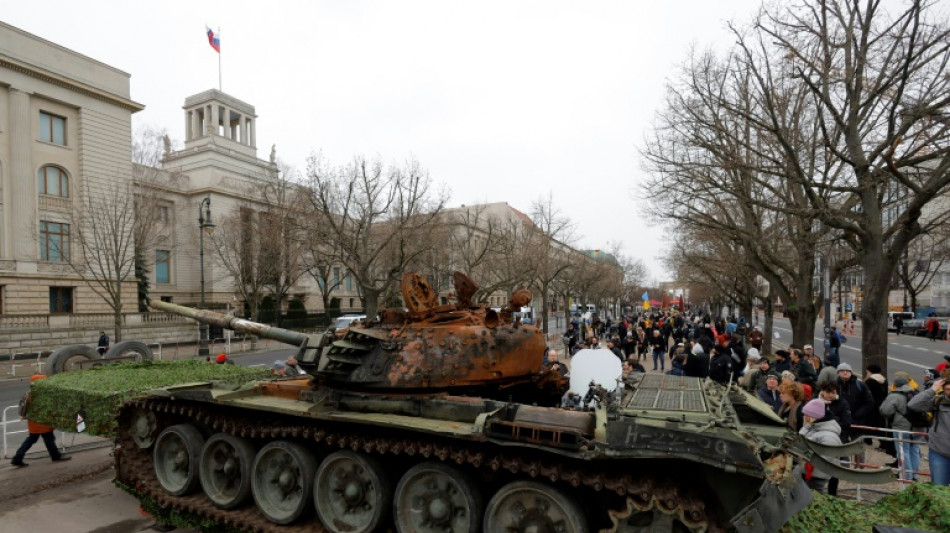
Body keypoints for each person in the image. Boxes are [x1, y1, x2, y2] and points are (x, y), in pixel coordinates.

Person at [11, 374, 72, 467]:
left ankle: (17, 458)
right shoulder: (43, 395)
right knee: (49, 439)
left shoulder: (30, 393)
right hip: (43, 423)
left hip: (33, 423)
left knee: (31, 440)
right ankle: (55, 456)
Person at [880, 376, 926, 481]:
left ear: (895, 385)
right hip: (919, 427)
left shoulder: (894, 395)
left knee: (903, 451)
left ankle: (906, 476)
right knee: (915, 450)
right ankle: (914, 475)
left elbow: (885, 411)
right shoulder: (917, 393)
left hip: (902, 427)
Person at [908, 375, 950, 485]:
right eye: (948, 389)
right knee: (938, 490)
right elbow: (913, 405)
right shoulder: (938, 400)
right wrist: (932, 390)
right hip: (939, 452)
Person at [799, 399, 843, 494]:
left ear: (813, 417)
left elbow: (826, 457)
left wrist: (804, 456)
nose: (804, 417)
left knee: (816, 497)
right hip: (807, 472)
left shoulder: (829, 436)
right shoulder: (810, 427)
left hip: (817, 475)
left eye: (806, 415)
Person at [836, 363, 875, 443]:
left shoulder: (860, 385)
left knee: (858, 446)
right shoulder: (833, 385)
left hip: (857, 422)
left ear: (851, 372)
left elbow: (869, 402)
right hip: (840, 422)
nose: (845, 372)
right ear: (838, 372)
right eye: (842, 371)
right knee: (840, 445)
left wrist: (858, 414)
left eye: (848, 371)